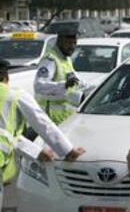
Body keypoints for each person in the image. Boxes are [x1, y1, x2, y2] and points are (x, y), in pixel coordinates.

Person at [0, 59, 85, 208]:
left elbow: (6, 136)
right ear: (7, 77)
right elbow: (42, 122)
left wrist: (36, 152)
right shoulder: (14, 95)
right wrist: (67, 150)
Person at [34, 28, 90, 125]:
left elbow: (78, 82)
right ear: (59, 42)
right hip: (51, 121)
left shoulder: (66, 59)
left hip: (65, 118)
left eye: (74, 43)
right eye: (68, 43)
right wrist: (64, 85)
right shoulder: (50, 59)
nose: (72, 46)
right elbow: (39, 86)